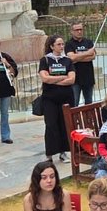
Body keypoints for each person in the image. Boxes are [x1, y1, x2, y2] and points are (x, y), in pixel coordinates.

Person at [38, 34, 76, 163]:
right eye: (58, 44)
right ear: (51, 46)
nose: (61, 46)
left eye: (62, 44)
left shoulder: (67, 60)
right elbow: (44, 78)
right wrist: (62, 77)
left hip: (66, 98)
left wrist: (53, 80)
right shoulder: (45, 60)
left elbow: (72, 79)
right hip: (50, 99)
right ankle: (50, 153)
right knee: (51, 124)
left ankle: (63, 152)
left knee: (64, 124)